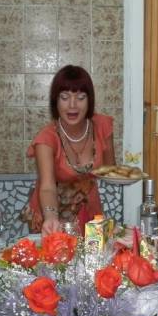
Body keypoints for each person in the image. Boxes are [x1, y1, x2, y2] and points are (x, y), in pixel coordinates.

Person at [23, 65, 115, 235]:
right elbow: (47, 187)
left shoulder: (102, 126)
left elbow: (111, 170)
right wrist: (51, 217)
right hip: (50, 210)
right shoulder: (46, 138)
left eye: (80, 97)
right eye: (64, 97)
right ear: (55, 101)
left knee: (93, 250)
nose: (72, 105)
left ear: (89, 100)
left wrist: (128, 176)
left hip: (88, 208)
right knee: (54, 250)